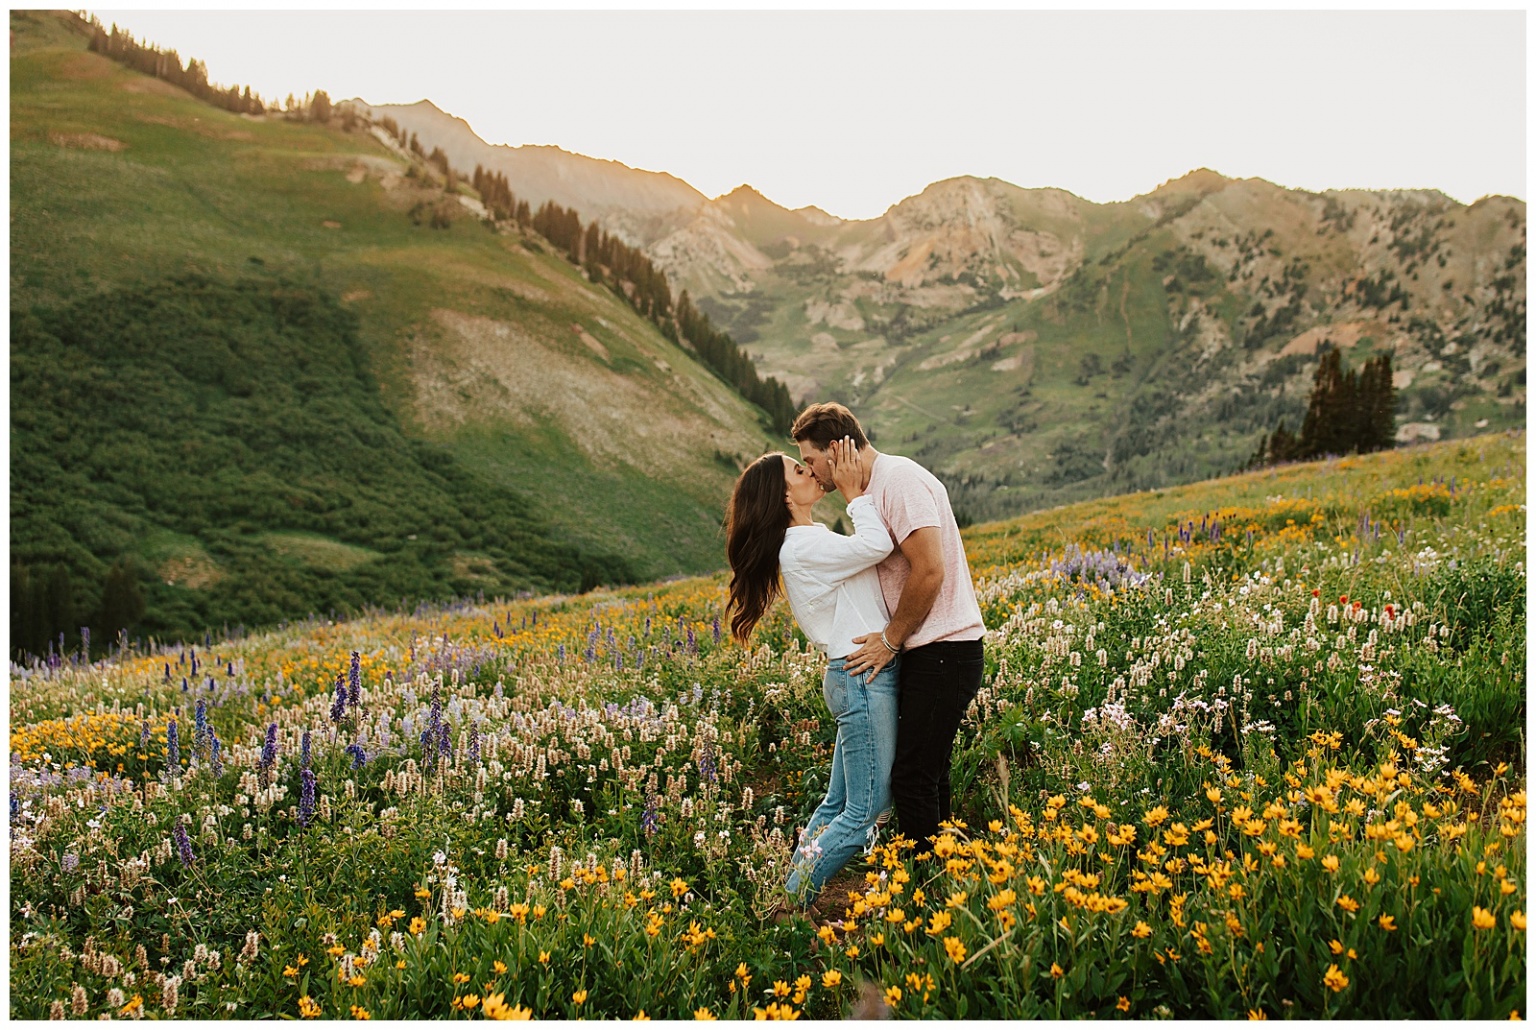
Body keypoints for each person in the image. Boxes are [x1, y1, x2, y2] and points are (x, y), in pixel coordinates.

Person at [791, 403, 987, 856]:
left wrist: (889, 639)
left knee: (912, 777)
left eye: (813, 460)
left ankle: (921, 891)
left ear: (839, 449)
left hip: (945, 648)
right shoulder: (867, 489)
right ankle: (944, 871)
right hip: (929, 649)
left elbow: (930, 571)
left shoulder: (898, 481)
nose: (812, 473)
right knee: (928, 772)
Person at [724, 437, 898, 910]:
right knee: (865, 811)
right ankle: (791, 903)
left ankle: (788, 892)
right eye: (797, 472)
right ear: (783, 496)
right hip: (861, 678)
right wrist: (855, 492)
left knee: (837, 803)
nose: (809, 470)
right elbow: (878, 545)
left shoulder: (802, 542)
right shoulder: (804, 545)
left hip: (852, 674)